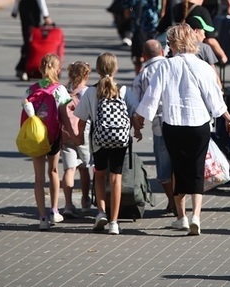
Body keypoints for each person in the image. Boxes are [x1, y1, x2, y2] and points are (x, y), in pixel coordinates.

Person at [133, 23, 230, 235]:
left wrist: (140, 118)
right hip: (199, 125)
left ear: (174, 43)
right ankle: (196, 216)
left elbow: (152, 97)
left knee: (178, 170)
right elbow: (214, 96)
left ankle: (181, 217)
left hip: (173, 124)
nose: (168, 46)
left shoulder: (165, 66)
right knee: (197, 170)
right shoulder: (203, 67)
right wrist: (226, 116)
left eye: (169, 42)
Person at [75, 53, 131, 235]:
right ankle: (114, 222)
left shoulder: (91, 91)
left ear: (97, 70)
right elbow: (136, 112)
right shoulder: (123, 91)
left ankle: (100, 212)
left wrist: (79, 138)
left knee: (99, 175)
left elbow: (81, 120)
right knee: (116, 178)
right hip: (120, 140)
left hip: (98, 141)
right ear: (116, 69)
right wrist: (136, 128)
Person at [21, 53, 72, 230]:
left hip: (36, 136)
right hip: (53, 135)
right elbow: (65, 114)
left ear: (41, 69)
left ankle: (42, 218)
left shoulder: (31, 89)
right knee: (54, 171)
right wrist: (72, 133)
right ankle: (54, 210)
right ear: (58, 70)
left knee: (38, 178)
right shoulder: (60, 90)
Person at [124, 40, 174, 213]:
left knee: (164, 168)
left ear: (144, 56)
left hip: (159, 127)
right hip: (180, 123)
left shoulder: (141, 76)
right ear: (162, 51)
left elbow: (137, 108)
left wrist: (137, 127)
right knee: (178, 164)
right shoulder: (172, 66)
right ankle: (178, 201)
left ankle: (172, 200)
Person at [59, 61, 93, 218]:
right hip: (83, 134)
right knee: (85, 168)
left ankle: (67, 204)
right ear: (86, 75)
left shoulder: (65, 92)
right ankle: (85, 201)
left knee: (69, 169)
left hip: (66, 134)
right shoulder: (87, 92)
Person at [122, 0, 167, 74]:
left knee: (138, 57)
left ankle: (139, 76)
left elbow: (126, 14)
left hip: (138, 27)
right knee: (153, 52)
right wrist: (162, 11)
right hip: (152, 24)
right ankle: (153, 73)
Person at [172, 0, 228, 65]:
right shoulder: (201, 11)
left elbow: (161, 28)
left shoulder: (174, 8)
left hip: (174, 53)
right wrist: (222, 55)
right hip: (195, 54)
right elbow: (210, 39)